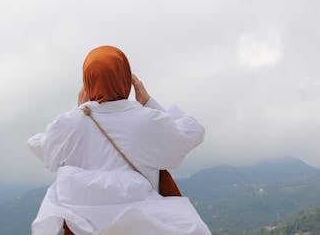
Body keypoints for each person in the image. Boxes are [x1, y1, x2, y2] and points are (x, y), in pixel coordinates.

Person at [28, 45, 211, 235]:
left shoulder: (71, 124)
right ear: (127, 79)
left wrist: (78, 111)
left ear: (87, 80)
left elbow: (38, 145)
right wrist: (148, 101)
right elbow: (192, 132)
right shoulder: (146, 120)